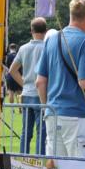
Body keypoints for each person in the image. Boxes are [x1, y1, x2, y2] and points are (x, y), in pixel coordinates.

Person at [35, 0, 85, 158]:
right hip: (77, 116)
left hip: (53, 114)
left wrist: (47, 108)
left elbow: (40, 82)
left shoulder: (51, 40)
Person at [10, 17, 49, 154]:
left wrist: (24, 83)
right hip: (42, 94)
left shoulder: (23, 48)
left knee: (26, 132)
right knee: (41, 132)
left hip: (27, 94)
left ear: (31, 30)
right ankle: (39, 162)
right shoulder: (47, 48)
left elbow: (12, 70)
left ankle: (23, 161)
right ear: (46, 31)